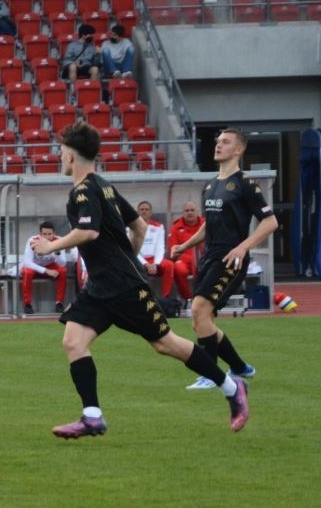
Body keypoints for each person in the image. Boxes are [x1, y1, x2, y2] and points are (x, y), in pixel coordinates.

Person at [34, 121, 248, 438]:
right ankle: (92, 416)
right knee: (73, 341)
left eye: (62, 151)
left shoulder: (84, 191)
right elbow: (140, 228)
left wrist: (51, 245)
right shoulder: (103, 185)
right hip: (101, 287)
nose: (60, 156)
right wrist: (129, 257)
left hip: (123, 286)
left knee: (165, 344)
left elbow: (89, 231)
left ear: (71, 156)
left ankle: (232, 388)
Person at [168, 128, 278, 391]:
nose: (218, 145)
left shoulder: (245, 183)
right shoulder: (211, 184)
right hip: (210, 257)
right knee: (200, 320)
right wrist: (185, 244)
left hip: (230, 258)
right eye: (217, 142)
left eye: (225, 142)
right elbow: (210, 225)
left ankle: (211, 373)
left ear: (238, 150)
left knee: (199, 310)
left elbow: (270, 222)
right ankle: (239, 367)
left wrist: (242, 248)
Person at [21, 221, 76, 314]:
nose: (47, 237)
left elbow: (62, 263)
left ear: (54, 233)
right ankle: (27, 304)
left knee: (63, 271)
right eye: (44, 234)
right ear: (40, 234)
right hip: (35, 266)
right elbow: (27, 262)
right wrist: (46, 270)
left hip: (50, 265)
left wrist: (57, 252)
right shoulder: (32, 240)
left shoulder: (59, 240)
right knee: (27, 272)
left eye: (49, 234)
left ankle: (59, 303)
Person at [163, 201, 202, 301]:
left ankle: (206, 297)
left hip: (203, 258)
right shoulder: (176, 227)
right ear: (183, 213)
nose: (190, 213)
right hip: (184, 260)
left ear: (197, 212)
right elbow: (173, 250)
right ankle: (188, 298)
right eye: (187, 210)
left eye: (192, 210)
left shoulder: (204, 225)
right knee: (179, 268)